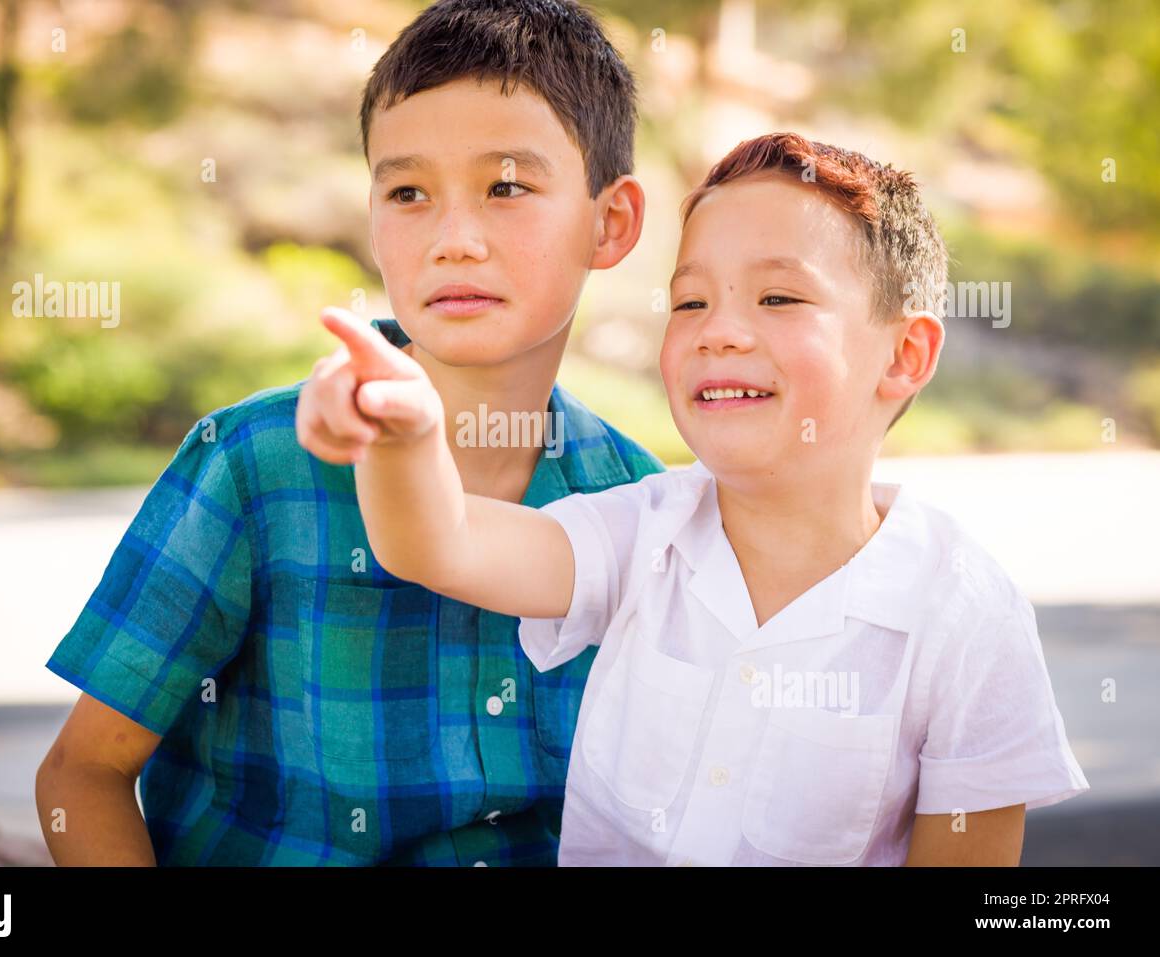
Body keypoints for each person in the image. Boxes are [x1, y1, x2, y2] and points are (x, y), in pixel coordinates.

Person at [303, 132, 1091, 865]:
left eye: (778, 299)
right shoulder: (641, 528)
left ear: (906, 354)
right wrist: (405, 431)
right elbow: (440, 544)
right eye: (690, 302)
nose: (718, 332)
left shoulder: (965, 618)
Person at [36, 0, 663, 866]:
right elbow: (80, 775)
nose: (453, 239)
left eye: (507, 186)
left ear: (612, 222)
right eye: (408, 193)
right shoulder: (257, 465)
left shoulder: (636, 500)